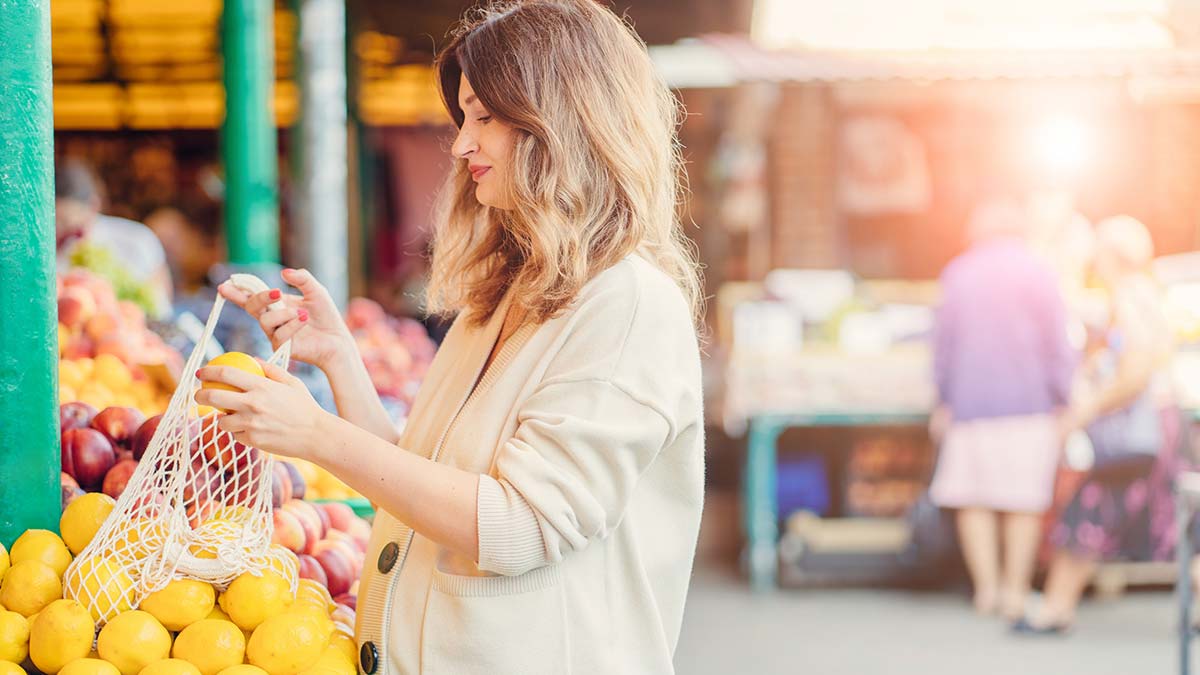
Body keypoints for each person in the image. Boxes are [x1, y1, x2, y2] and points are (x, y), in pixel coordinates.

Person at [195, 1, 705, 672]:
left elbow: (519, 524)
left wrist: (316, 433)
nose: (462, 145)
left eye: (485, 117)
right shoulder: (508, 295)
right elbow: (421, 486)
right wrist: (340, 360)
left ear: (564, 122)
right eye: (465, 118)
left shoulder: (628, 306)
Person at [1015, 215, 1179, 635]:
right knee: (1175, 522)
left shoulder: (1129, 297)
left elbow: (1134, 369)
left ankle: (1055, 609)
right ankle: (1056, 606)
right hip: (1157, 427)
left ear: (1108, 256)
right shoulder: (1149, 293)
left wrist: (1087, 409)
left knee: (1088, 511)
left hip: (1134, 431)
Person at [927, 198, 1075, 620]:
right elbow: (1058, 341)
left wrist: (943, 398)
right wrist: (1064, 397)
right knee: (1023, 500)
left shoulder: (958, 273)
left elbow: (943, 344)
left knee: (973, 499)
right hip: (1028, 402)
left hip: (970, 401)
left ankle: (986, 589)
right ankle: (1014, 590)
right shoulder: (1039, 270)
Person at [55, 158, 173, 317]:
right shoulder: (48, 252)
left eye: (66, 221)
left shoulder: (136, 239)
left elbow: (161, 305)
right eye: (56, 222)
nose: (62, 230)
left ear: (94, 205)